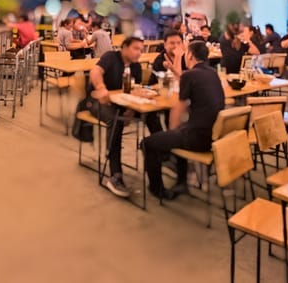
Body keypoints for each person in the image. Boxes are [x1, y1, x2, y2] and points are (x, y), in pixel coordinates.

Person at [141, 40, 225, 200]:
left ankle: (157, 189)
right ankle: (181, 181)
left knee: (148, 143)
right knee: (179, 132)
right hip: (216, 136)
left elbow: (177, 111)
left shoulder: (190, 75)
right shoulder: (212, 73)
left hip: (199, 139)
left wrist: (171, 132)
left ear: (190, 55)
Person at [88, 37, 164, 198]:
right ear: (124, 48)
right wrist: (101, 88)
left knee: (151, 113)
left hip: (121, 103)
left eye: (141, 49)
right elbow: (95, 71)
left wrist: (131, 108)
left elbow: (131, 89)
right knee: (116, 120)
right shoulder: (110, 57)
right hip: (98, 101)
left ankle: (163, 152)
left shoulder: (135, 66)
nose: (139, 52)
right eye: (136, 48)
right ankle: (115, 175)